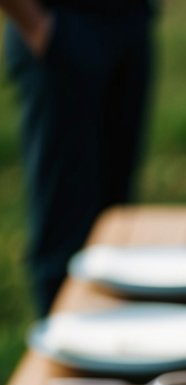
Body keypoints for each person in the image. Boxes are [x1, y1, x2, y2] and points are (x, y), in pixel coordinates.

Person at [2, 0, 155, 316]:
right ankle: (60, 351)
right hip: (62, 22)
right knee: (65, 226)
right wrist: (37, 26)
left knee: (116, 219)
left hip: (131, 18)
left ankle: (121, 345)